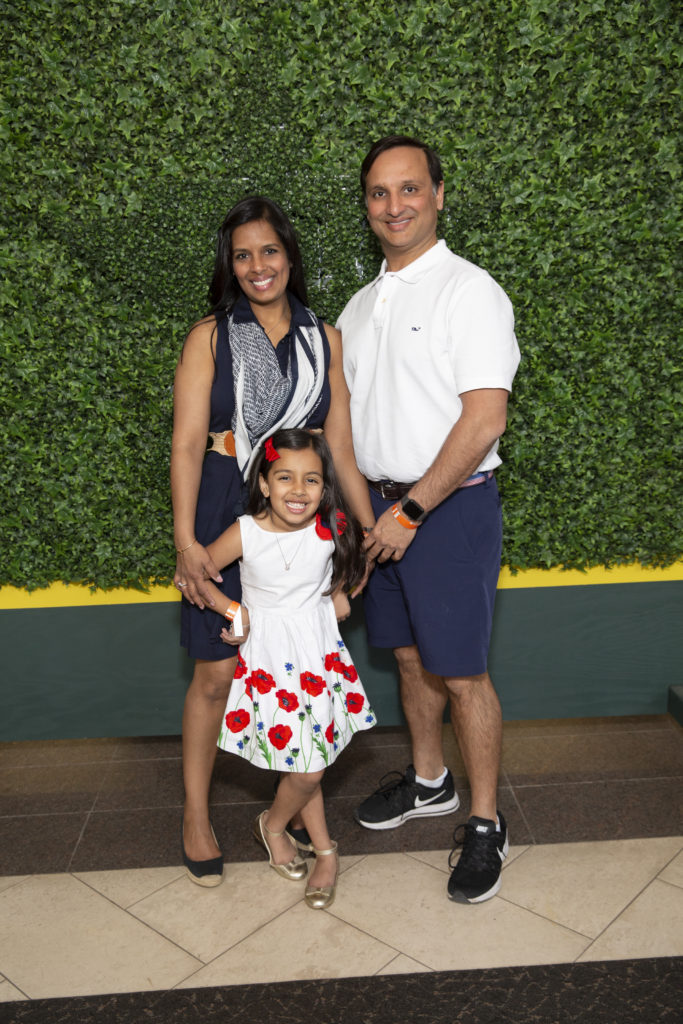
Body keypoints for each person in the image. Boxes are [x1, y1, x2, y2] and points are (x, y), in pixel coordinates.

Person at [337, 135, 520, 904]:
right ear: (367, 206)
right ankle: (429, 780)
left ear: (439, 195)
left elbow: (484, 418)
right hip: (376, 513)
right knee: (409, 661)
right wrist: (364, 516)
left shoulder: (469, 290)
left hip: (444, 509)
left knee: (463, 673)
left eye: (409, 189)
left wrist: (410, 510)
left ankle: (483, 823)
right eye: (379, 193)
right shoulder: (357, 304)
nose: (394, 206)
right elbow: (342, 427)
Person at [171, 197, 373, 887]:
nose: (258, 266)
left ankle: (290, 819)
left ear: (290, 257)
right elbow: (186, 445)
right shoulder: (210, 336)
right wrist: (184, 540)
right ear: (230, 266)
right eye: (243, 254)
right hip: (225, 500)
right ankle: (196, 815)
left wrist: (365, 528)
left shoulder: (326, 338)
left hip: (302, 504)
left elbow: (338, 445)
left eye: (269, 251)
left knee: (299, 666)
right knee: (215, 672)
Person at [199, 428, 375, 909]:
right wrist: (234, 613)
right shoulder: (246, 532)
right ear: (263, 483)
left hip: (318, 654)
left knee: (306, 761)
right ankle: (305, 840)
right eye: (285, 478)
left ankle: (290, 834)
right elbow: (195, 573)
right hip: (270, 660)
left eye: (311, 480)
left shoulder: (332, 527)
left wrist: (340, 592)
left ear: (324, 486)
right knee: (307, 765)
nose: (298, 491)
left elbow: (358, 561)